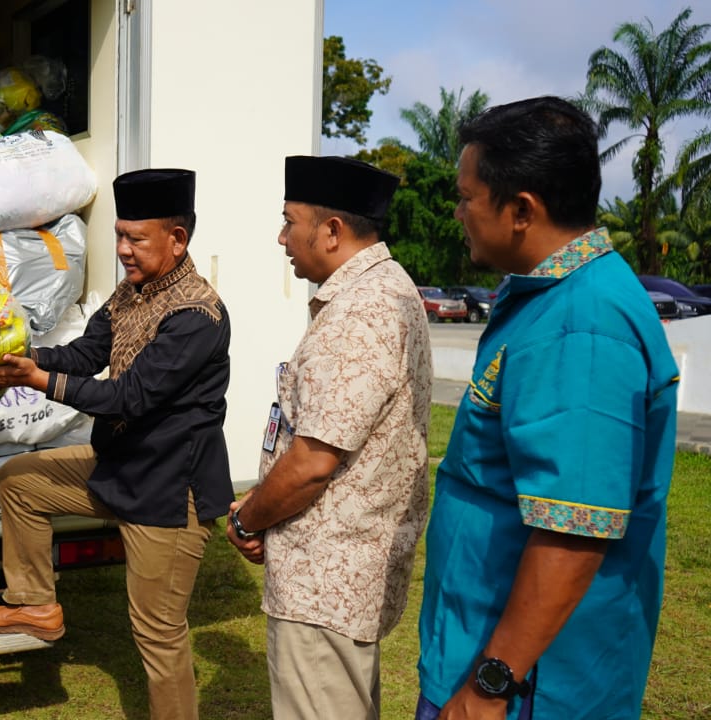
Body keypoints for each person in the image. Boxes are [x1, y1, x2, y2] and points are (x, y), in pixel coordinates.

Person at [416, 96, 679, 720]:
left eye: (466, 196)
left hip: (529, 690)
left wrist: (489, 688)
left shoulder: (580, 326)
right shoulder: (550, 298)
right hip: (485, 647)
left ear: (521, 210)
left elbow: (571, 530)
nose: (457, 213)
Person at [0, 169, 234, 720]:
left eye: (136, 238)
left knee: (158, 635)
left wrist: (34, 381)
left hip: (169, 490)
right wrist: (24, 357)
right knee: (20, 481)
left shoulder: (198, 316)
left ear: (177, 239)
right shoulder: (132, 292)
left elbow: (127, 397)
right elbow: (88, 354)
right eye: (119, 235)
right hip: (120, 467)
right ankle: (35, 604)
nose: (122, 250)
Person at [226, 156, 432, 719]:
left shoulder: (360, 312)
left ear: (332, 231)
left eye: (290, 222)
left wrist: (248, 519)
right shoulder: (383, 290)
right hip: (342, 571)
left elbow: (314, 460)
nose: (282, 237)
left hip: (325, 580)